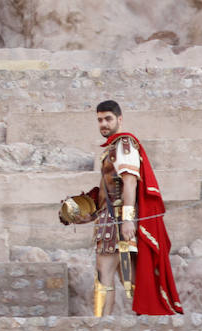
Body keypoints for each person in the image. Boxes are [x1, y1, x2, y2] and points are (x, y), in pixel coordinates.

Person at [60, 99, 182, 317]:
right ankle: (147, 321)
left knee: (103, 274)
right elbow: (108, 191)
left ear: (119, 119)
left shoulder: (124, 145)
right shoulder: (112, 148)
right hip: (111, 218)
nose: (103, 124)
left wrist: (127, 219)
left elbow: (130, 182)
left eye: (108, 119)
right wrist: (83, 213)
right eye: (100, 120)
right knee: (132, 277)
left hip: (116, 221)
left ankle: (101, 325)